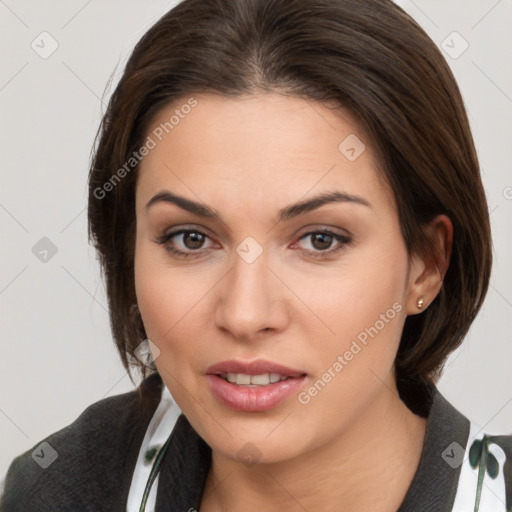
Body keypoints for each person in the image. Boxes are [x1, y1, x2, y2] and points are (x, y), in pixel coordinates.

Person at [1, 0, 510, 510]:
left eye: (320, 240)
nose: (245, 314)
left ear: (426, 264)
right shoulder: (60, 488)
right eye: (190, 238)